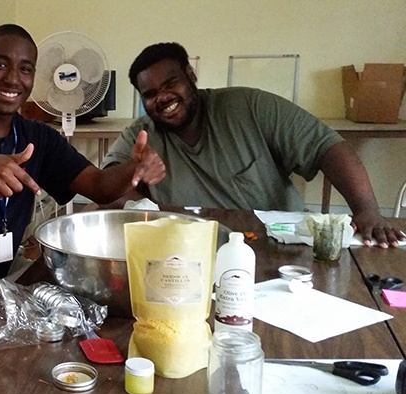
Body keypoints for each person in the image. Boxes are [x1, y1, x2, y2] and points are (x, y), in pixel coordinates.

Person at [0, 24, 165, 353]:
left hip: (8, 272)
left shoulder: (39, 137)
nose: (12, 79)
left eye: (25, 69)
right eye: (0, 64)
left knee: (81, 318)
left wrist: (134, 169)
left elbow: (98, 187)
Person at [102, 42, 404, 248]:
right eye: (150, 93)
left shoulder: (248, 106)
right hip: (190, 250)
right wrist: (135, 172)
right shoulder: (142, 134)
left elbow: (327, 147)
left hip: (277, 246)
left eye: (170, 84)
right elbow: (107, 190)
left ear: (191, 75)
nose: (163, 98)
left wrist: (367, 211)